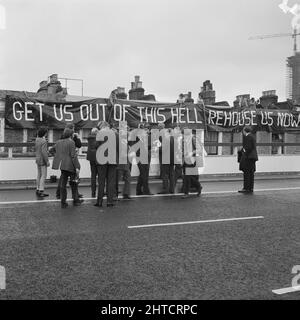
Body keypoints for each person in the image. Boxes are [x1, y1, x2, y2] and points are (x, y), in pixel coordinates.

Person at [52, 128, 83, 208]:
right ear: (70, 135)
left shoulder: (58, 142)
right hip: (71, 165)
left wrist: (59, 156)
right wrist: (77, 166)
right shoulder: (71, 142)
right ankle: (76, 200)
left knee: (63, 185)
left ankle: (63, 202)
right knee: (74, 184)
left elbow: (51, 150)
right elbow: (73, 156)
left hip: (63, 165)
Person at [94, 121, 118, 207]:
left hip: (101, 159)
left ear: (102, 126)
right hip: (112, 159)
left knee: (101, 181)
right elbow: (119, 147)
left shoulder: (100, 133)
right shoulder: (115, 133)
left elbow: (95, 145)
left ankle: (99, 201)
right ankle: (109, 201)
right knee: (111, 181)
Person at [131, 123, 152, 196]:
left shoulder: (146, 136)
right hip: (141, 156)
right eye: (145, 129)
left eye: (147, 129)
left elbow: (150, 146)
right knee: (144, 174)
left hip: (145, 155)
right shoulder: (137, 137)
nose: (146, 130)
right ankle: (146, 191)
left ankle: (139, 190)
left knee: (143, 174)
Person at [182, 131, 203, 198]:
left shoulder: (193, 139)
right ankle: (198, 187)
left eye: (183, 135)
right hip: (186, 159)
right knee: (189, 177)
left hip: (192, 160)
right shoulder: (185, 140)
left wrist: (191, 153)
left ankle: (186, 193)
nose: (183, 137)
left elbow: (199, 149)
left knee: (187, 177)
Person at [238, 126, 258, 194]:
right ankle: (250, 188)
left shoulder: (247, 137)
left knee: (247, 173)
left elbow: (248, 148)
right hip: (252, 157)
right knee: (251, 173)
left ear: (244, 131)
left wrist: (243, 151)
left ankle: (246, 188)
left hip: (248, 157)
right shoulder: (252, 136)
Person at [116, 124, 132, 200]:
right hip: (120, 162)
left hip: (126, 162)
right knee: (117, 179)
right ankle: (113, 194)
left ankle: (126, 194)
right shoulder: (119, 140)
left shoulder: (126, 141)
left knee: (128, 178)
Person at [35, 127, 50, 199]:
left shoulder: (37, 139)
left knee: (39, 175)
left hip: (37, 158)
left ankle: (37, 189)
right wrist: (47, 161)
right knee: (43, 175)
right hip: (42, 160)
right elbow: (44, 152)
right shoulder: (44, 141)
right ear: (44, 133)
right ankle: (41, 191)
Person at [87, 128, 99, 198]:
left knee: (93, 175)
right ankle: (101, 191)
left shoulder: (89, 138)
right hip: (98, 157)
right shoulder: (98, 138)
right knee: (101, 175)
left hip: (91, 158)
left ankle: (93, 192)